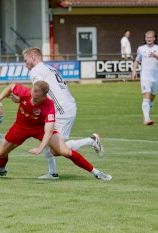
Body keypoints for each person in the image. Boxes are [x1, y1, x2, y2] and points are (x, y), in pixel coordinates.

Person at [0, 82, 112, 181]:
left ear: (44, 96)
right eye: (33, 92)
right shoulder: (26, 92)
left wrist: (40, 148)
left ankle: (97, 173)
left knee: (65, 152)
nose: (33, 96)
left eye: (36, 95)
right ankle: (1, 170)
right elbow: (10, 87)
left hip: (40, 129)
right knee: (0, 153)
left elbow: (48, 130)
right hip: (20, 127)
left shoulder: (49, 105)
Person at [18, 47, 104, 180]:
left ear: (33, 58)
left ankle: (91, 141)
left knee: (56, 150)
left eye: (25, 61)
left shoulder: (36, 70)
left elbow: (38, 90)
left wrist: (22, 99)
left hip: (61, 110)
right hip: (66, 105)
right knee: (46, 137)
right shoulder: (48, 68)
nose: (25, 65)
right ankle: (52, 173)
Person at [132, 30, 158, 125]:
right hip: (145, 76)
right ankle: (147, 119)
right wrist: (134, 71)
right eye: (147, 37)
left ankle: (147, 115)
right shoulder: (141, 48)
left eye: (150, 37)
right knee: (147, 94)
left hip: (155, 76)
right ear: (145, 38)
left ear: (154, 38)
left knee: (152, 97)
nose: (149, 39)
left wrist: (155, 55)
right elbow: (137, 60)